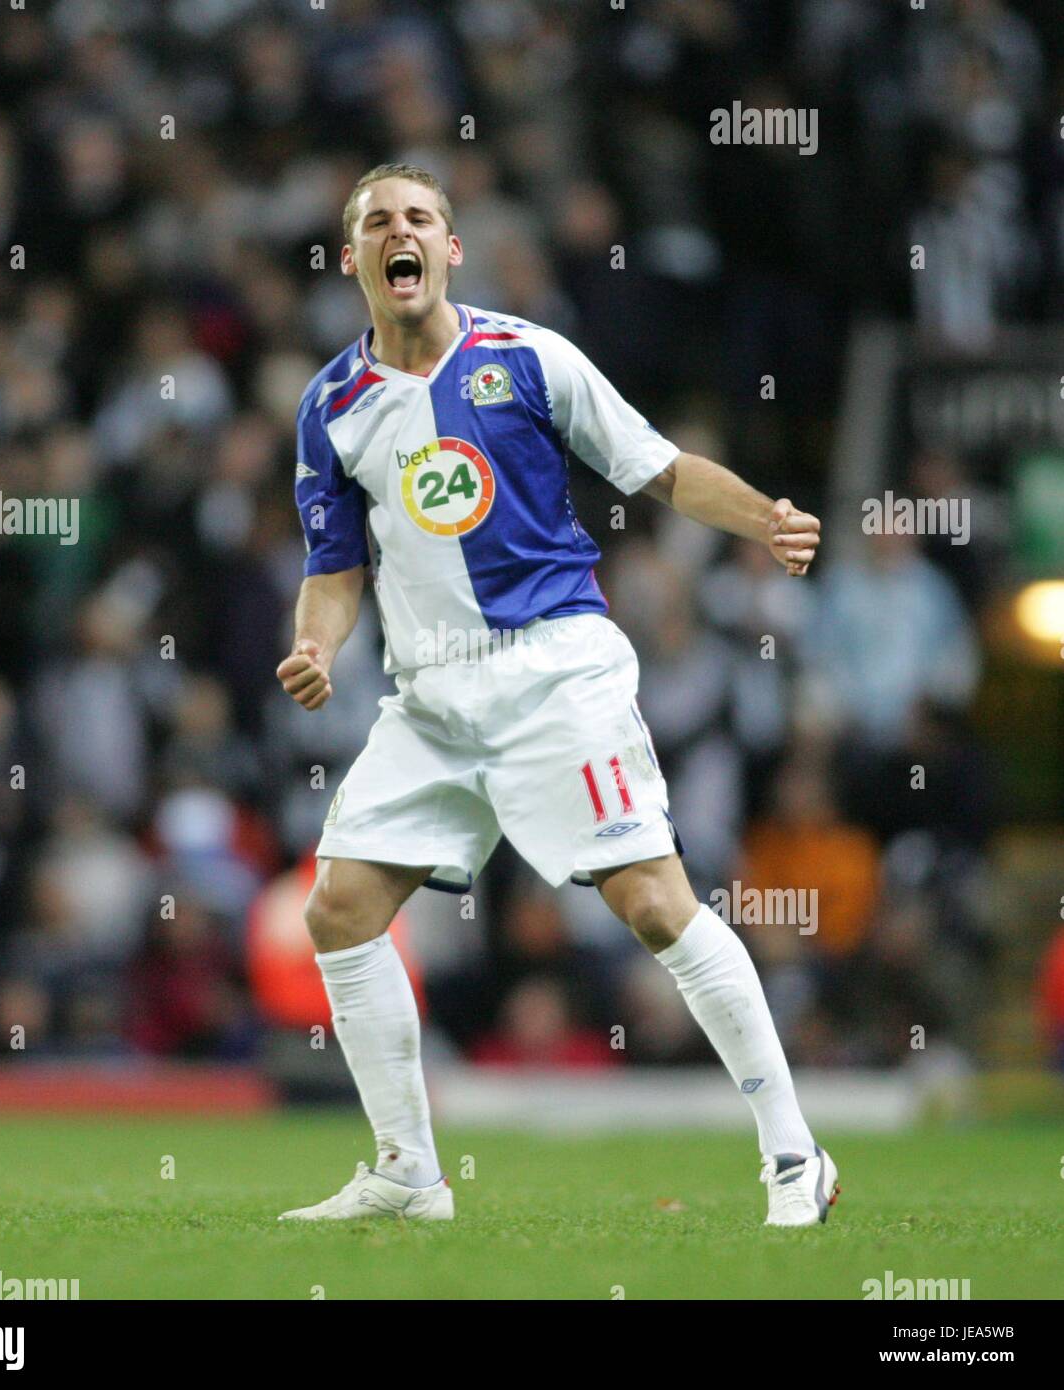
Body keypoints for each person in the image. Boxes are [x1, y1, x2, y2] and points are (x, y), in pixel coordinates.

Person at [275, 164, 837, 1227]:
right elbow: (336, 566)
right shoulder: (331, 409)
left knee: (658, 905)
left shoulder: (527, 357)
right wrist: (316, 646)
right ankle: (408, 1171)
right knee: (340, 908)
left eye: (421, 218)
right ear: (352, 260)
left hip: (552, 670)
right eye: (376, 224)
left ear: (450, 249)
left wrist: (765, 518)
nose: (401, 235)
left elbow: (657, 468)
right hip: (430, 696)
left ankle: (794, 1154)